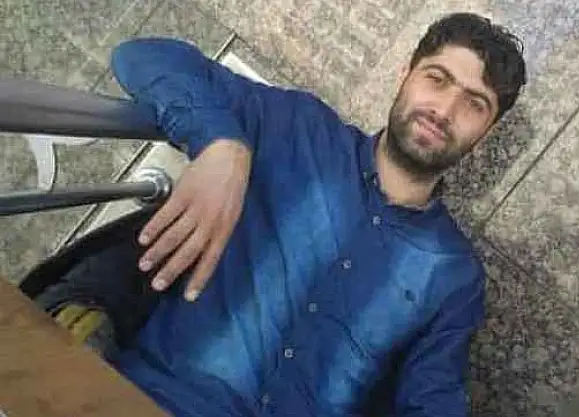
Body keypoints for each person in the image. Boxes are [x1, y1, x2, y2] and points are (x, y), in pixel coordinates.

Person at [41, 11, 526, 417]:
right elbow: (142, 56)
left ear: (484, 134)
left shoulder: (452, 273)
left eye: (474, 104)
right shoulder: (297, 129)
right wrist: (220, 143)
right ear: (405, 75)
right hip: (143, 400)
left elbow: (432, 398)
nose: (444, 109)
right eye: (437, 79)